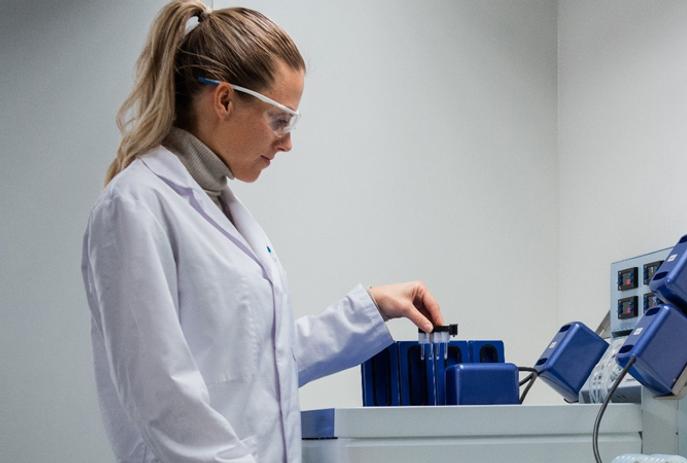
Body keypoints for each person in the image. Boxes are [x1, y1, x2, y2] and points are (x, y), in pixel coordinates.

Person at [80, 1, 444, 462]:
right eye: (280, 120)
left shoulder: (220, 205)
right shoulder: (135, 205)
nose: (288, 142)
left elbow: (260, 363)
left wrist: (369, 309)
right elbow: (162, 395)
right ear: (225, 100)